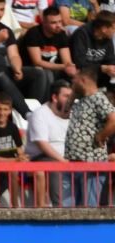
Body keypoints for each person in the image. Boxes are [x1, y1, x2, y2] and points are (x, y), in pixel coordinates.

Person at [63, 66, 115, 206]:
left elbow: (113, 120)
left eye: (75, 80)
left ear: (83, 80)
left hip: (92, 161)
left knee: (89, 207)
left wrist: (101, 136)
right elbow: (64, 113)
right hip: (74, 161)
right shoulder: (80, 100)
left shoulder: (98, 98)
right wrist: (73, 95)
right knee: (67, 208)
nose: (72, 83)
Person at [25, 80, 72, 207]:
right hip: (40, 158)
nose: (70, 100)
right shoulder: (39, 114)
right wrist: (63, 161)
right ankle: (58, 207)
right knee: (54, 164)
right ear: (55, 97)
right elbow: (42, 144)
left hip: (65, 157)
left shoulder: (72, 115)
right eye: (66, 96)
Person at [19, 6, 76, 102]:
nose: (58, 25)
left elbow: (67, 61)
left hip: (54, 68)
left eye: (60, 21)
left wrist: (70, 68)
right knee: (47, 73)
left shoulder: (61, 34)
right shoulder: (33, 33)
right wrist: (64, 66)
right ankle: (43, 104)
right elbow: (37, 62)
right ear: (44, 23)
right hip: (32, 69)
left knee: (76, 74)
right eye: (53, 23)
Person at [69, 11, 115, 89]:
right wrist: (102, 68)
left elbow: (110, 59)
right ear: (104, 29)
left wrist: (112, 68)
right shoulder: (81, 34)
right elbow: (80, 64)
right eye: (113, 28)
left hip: (99, 74)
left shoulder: (107, 37)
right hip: (81, 75)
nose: (114, 31)